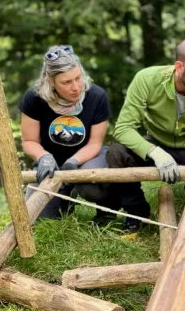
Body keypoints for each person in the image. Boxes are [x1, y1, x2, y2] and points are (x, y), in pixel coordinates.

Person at [107, 37, 185, 231]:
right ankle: (136, 216)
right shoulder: (147, 79)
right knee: (116, 153)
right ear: (179, 66)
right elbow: (123, 128)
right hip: (157, 141)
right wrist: (155, 152)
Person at [20, 45, 117, 220]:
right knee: (37, 220)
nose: (76, 87)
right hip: (52, 165)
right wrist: (43, 157)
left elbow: (95, 143)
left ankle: (106, 214)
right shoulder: (34, 98)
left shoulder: (97, 96)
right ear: (51, 81)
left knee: (92, 181)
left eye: (78, 78)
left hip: (89, 158)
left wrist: (74, 161)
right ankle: (66, 202)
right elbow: (29, 141)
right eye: (66, 82)